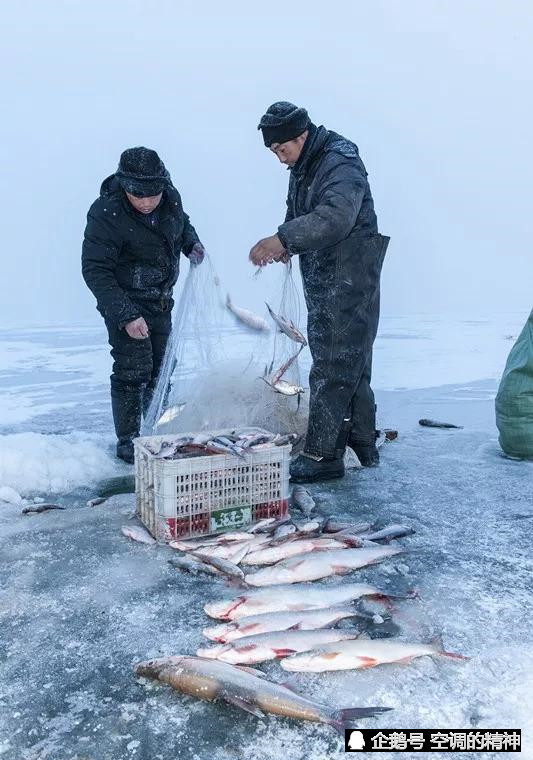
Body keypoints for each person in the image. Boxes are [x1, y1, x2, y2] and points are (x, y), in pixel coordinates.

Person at [250, 102, 389, 483]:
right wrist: (288, 243)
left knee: (334, 361)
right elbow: (300, 212)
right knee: (351, 361)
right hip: (329, 272)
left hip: (349, 271)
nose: (280, 159)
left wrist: (282, 239)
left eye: (282, 150)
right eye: (274, 153)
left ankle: (324, 455)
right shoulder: (306, 163)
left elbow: (336, 217)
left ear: (302, 135)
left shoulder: (338, 160)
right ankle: (361, 442)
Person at [82, 147, 204, 463]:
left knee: (163, 368)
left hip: (160, 299)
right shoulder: (106, 213)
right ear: (125, 186)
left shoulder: (170, 198)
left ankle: (154, 430)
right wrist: (126, 315)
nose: (148, 201)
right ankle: (129, 441)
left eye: (154, 194)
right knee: (133, 368)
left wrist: (191, 243)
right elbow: (95, 270)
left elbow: (182, 224)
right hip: (125, 300)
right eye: (139, 195)